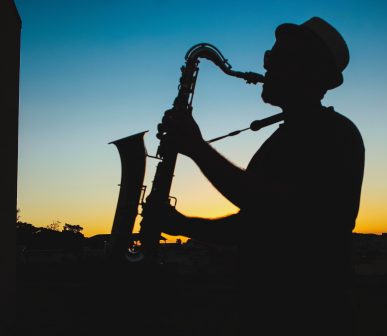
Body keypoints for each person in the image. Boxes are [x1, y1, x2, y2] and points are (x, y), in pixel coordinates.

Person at [155, 16, 365, 335]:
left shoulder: (334, 134)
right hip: (271, 313)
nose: (266, 67)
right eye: (270, 57)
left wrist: (196, 148)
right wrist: (181, 224)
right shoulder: (287, 138)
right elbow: (255, 225)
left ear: (311, 73)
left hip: (308, 316)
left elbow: (275, 206)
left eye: (277, 59)